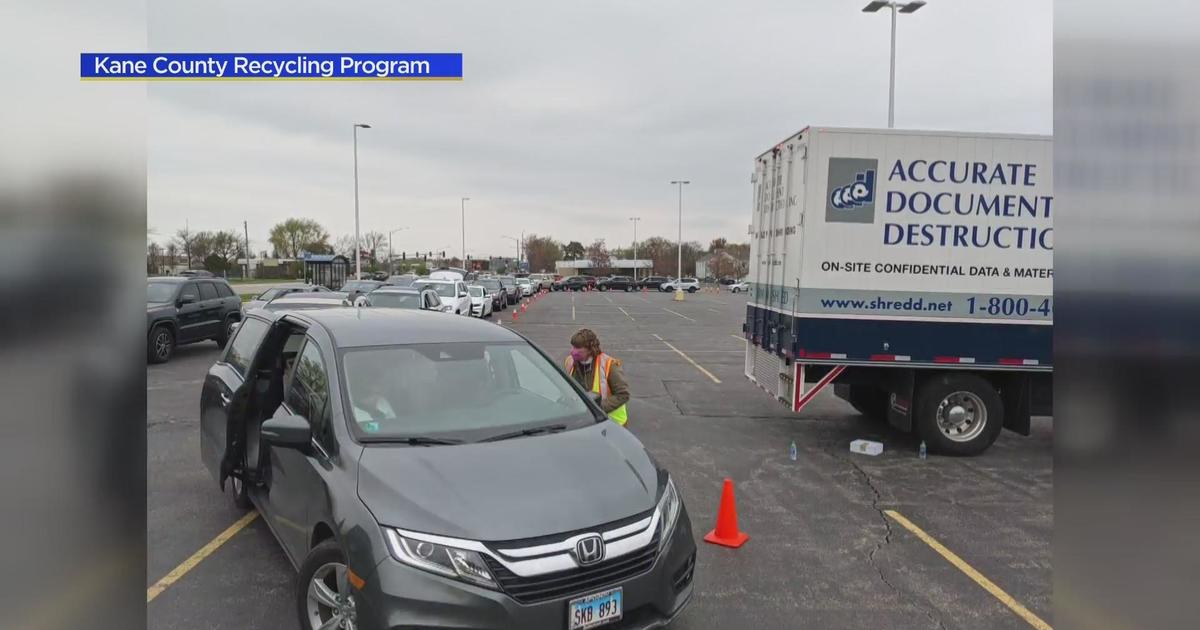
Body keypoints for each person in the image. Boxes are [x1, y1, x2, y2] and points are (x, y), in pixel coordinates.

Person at [564, 328, 630, 426]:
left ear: (590, 349)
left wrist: (596, 408)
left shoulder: (609, 365)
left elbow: (623, 394)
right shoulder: (570, 362)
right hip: (587, 421)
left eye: (578, 348)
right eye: (573, 347)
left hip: (612, 422)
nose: (573, 351)